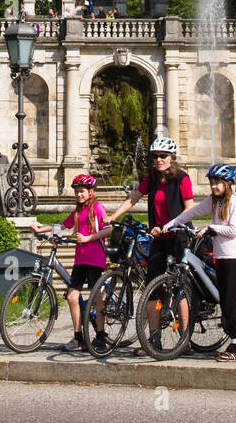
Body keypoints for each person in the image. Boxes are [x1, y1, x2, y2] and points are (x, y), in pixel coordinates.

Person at [107, 135, 194, 349]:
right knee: (151, 290)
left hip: (177, 238)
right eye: (155, 156)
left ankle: (185, 339)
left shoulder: (182, 178)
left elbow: (190, 208)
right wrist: (113, 217)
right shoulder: (151, 179)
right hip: (158, 240)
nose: (158, 160)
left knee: (179, 288)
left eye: (163, 156)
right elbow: (133, 198)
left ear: (172, 157)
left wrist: (172, 224)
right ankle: (153, 339)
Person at [157, 163, 236, 361]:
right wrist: (172, 223)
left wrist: (211, 228)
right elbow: (193, 212)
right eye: (212, 183)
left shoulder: (234, 202)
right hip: (221, 257)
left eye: (218, 183)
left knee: (230, 303)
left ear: (227, 183)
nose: (214, 186)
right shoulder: (213, 201)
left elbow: (233, 230)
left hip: (233, 257)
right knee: (223, 301)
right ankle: (233, 340)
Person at [57, 174, 111, 354]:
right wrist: (43, 230)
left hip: (95, 259)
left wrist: (88, 238)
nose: (79, 195)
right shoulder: (78, 212)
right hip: (80, 259)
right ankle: (78, 337)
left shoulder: (97, 208)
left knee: (96, 299)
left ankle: (101, 336)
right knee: (72, 297)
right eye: (77, 192)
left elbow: (108, 229)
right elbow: (63, 225)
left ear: (90, 192)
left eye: (82, 192)